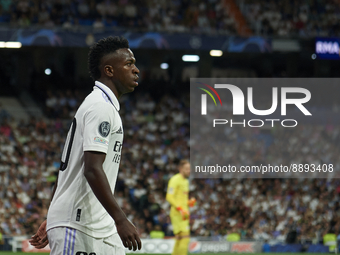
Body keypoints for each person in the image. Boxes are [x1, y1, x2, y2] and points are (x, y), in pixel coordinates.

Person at [29, 36, 142, 255]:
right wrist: (121, 219)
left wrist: (52, 213)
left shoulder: (102, 105)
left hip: (98, 223)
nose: (136, 69)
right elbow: (91, 168)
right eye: (129, 64)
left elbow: (65, 167)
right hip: (77, 223)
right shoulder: (100, 107)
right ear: (109, 70)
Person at [166, 159, 195, 255]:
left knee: (179, 239)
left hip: (184, 213)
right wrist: (180, 209)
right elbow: (169, 197)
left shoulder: (186, 181)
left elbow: (181, 199)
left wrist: (189, 202)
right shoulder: (174, 179)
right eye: (187, 169)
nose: (189, 171)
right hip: (178, 213)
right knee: (185, 238)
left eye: (189, 169)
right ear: (180, 169)